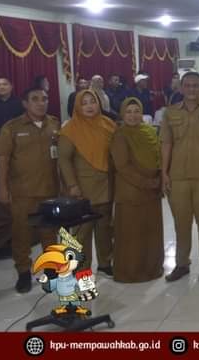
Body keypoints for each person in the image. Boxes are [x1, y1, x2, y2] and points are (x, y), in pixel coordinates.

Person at [0, 87, 59, 292]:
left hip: (50, 190)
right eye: (35, 99)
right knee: (21, 233)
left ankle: (51, 270)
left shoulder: (54, 124)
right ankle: (24, 271)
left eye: (44, 99)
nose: (41, 103)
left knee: (50, 233)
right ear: (25, 103)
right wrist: (2, 188)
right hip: (22, 191)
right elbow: (3, 160)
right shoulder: (12, 127)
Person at [160, 72, 199, 282]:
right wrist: (164, 172)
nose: (192, 89)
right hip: (178, 176)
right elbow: (166, 144)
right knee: (181, 223)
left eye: (196, 86)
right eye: (188, 86)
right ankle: (182, 264)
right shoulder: (170, 113)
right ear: (181, 88)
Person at [58, 89, 117, 274]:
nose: (90, 106)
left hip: (106, 185)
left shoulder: (108, 124)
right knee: (81, 232)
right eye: (84, 103)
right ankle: (80, 269)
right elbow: (64, 160)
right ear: (77, 107)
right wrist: (72, 185)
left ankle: (105, 263)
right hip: (82, 188)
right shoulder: (69, 130)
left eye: (93, 101)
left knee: (105, 228)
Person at [110, 97, 164, 283]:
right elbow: (123, 167)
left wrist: (158, 179)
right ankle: (130, 273)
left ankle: (152, 269)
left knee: (150, 233)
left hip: (152, 193)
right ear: (123, 114)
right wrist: (149, 183)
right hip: (131, 193)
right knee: (131, 236)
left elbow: (158, 157)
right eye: (129, 112)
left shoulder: (149, 131)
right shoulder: (119, 135)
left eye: (136, 111)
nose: (133, 116)